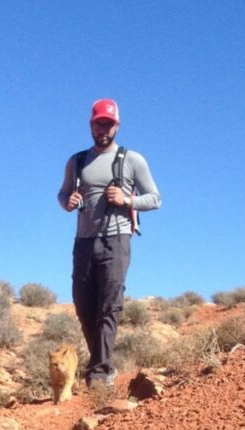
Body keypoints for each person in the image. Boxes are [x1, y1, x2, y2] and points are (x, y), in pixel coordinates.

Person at [58, 98, 160, 387]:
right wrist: (69, 201)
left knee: (109, 304)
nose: (103, 128)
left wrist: (127, 199)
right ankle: (99, 363)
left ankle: (101, 372)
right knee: (82, 304)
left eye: (109, 123)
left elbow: (155, 198)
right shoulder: (77, 161)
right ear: (91, 125)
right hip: (84, 241)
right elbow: (62, 194)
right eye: (98, 123)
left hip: (116, 239)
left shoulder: (132, 160)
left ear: (117, 126)